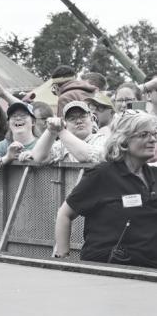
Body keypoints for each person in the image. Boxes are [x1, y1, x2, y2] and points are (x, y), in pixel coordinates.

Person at [54, 111, 157, 267]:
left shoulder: (154, 175)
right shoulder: (102, 174)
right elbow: (64, 214)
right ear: (123, 140)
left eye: (154, 134)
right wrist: (63, 260)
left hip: (148, 270)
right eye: (144, 135)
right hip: (106, 270)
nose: (153, 139)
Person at [21, 100, 106, 164]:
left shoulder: (102, 140)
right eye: (72, 118)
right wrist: (51, 130)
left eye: (83, 116)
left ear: (92, 119)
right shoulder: (61, 145)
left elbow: (86, 156)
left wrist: (61, 131)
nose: (79, 121)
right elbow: (39, 158)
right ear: (66, 123)